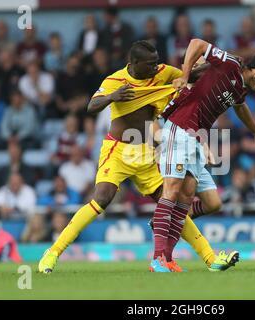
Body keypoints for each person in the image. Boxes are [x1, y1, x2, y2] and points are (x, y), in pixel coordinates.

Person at [38, 40, 238, 274]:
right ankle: (52, 253)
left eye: (156, 62)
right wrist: (113, 96)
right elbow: (91, 106)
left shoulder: (163, 72)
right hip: (118, 150)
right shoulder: (116, 80)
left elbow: (189, 75)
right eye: (150, 64)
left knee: (171, 204)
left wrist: (225, 62)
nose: (156, 67)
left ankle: (210, 257)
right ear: (133, 64)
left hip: (146, 152)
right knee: (102, 198)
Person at [153, 38, 255, 271]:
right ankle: (158, 258)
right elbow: (196, 43)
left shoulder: (240, 88)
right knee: (172, 191)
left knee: (202, 200)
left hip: (196, 136)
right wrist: (184, 73)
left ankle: (166, 249)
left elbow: (240, 107)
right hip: (180, 126)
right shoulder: (229, 64)